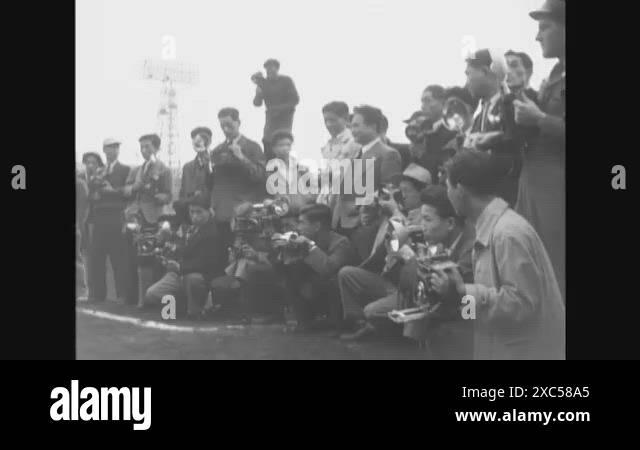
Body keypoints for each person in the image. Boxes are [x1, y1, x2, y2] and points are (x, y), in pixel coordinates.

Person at [440, 150, 565, 360]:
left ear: (460, 189)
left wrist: (463, 293)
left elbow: (522, 305)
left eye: (447, 187)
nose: (448, 194)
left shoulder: (507, 234)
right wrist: (455, 297)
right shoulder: (491, 227)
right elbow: (479, 314)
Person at [514, 0, 566, 300]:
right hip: (534, 182)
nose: (537, 37)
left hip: (555, 189)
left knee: (555, 268)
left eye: (545, 28)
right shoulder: (555, 74)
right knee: (531, 262)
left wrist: (539, 118)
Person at [397, 186, 475, 359]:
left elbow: (463, 303)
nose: (422, 226)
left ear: (450, 223)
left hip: (471, 319)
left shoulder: (469, 250)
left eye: (427, 219)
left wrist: (412, 258)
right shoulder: (446, 241)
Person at [272, 204, 354, 333]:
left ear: (317, 226)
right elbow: (284, 273)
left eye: (302, 223)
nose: (298, 227)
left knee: (331, 281)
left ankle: (336, 324)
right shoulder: (303, 241)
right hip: (314, 291)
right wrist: (283, 252)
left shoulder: (341, 242)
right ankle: (304, 321)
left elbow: (328, 269)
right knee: (291, 270)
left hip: (336, 301)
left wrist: (308, 246)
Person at [144, 194, 227, 320]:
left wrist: (179, 266)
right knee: (152, 294)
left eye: (199, 212)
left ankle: (195, 310)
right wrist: (171, 252)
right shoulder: (192, 228)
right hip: (181, 274)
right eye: (192, 212)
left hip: (200, 277)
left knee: (193, 279)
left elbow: (208, 264)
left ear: (209, 211)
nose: (194, 216)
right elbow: (185, 250)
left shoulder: (213, 233)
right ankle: (180, 307)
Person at [464, 48, 522, 207]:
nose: (466, 82)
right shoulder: (478, 116)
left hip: (506, 199)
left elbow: (517, 150)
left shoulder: (511, 105)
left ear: (484, 71)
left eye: (468, 74)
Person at [123, 133, 173, 306]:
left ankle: (155, 299)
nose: (144, 150)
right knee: (139, 259)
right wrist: (133, 188)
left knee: (157, 258)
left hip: (155, 218)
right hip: (137, 219)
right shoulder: (136, 170)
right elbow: (126, 190)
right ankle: (140, 299)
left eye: (148, 147)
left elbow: (168, 196)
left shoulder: (163, 169)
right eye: (142, 147)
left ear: (156, 148)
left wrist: (158, 196)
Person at [210, 107, 267, 248]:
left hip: (243, 213)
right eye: (222, 126)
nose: (226, 129)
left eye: (229, 125)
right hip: (221, 213)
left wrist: (241, 157)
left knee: (242, 254)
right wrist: (213, 204)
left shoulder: (252, 147)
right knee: (223, 255)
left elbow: (260, 176)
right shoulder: (217, 150)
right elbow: (215, 182)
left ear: (238, 122)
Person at [86, 138, 131, 304]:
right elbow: (90, 194)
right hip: (99, 218)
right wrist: (95, 196)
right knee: (97, 257)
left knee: (119, 257)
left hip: (116, 216)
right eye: (110, 147)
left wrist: (111, 191)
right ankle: (97, 294)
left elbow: (128, 192)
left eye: (116, 147)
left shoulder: (125, 169)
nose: (113, 150)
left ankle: (121, 294)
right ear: (104, 150)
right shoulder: (99, 171)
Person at [317, 101, 361, 212]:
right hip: (327, 198)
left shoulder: (353, 141)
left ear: (346, 119)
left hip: (345, 199)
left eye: (333, 120)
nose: (328, 124)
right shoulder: (327, 145)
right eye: (326, 120)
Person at [252, 59, 300, 159]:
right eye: (267, 68)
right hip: (270, 120)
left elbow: (295, 100)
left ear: (277, 69)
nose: (269, 70)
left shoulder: (286, 80)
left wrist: (278, 109)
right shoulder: (264, 83)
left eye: (272, 67)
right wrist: (258, 92)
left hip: (284, 120)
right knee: (268, 143)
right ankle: (269, 169)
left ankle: (285, 168)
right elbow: (257, 103)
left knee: (282, 143)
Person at [413, 85, 458, 183]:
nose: (422, 106)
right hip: (418, 181)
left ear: (443, 103)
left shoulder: (453, 130)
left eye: (427, 100)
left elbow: (445, 165)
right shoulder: (423, 127)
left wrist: (421, 154)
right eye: (422, 101)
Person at [180, 127, 213, 201]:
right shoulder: (187, 167)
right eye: (195, 139)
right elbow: (183, 193)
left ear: (209, 141)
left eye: (203, 139)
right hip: (191, 209)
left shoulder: (216, 162)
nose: (198, 142)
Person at [76, 164, 90, 301]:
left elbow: (83, 208)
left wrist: (79, 225)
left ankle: (81, 291)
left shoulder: (79, 183)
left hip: (75, 225)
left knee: (76, 259)